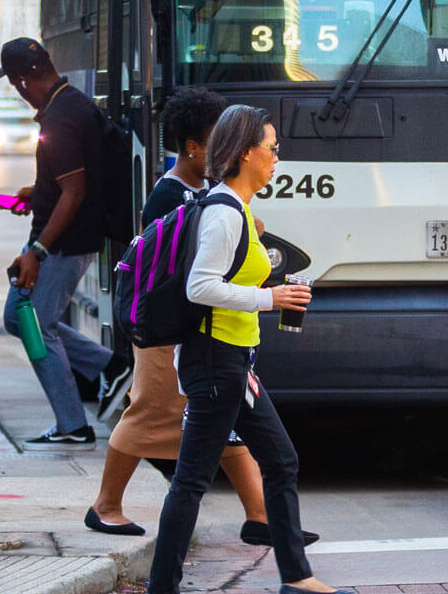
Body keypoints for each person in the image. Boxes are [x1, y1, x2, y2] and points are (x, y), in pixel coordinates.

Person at [85, 87, 318, 549]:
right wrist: (265, 293)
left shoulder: (208, 195)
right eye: (216, 141)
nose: (224, 151)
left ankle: (260, 516)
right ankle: (106, 506)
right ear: (193, 146)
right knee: (148, 414)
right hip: (172, 330)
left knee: (221, 423)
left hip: (204, 333)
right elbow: (188, 276)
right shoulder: (173, 196)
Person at [146, 105, 349, 594]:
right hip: (215, 363)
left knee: (280, 461)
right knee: (192, 479)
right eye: (273, 148)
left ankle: (296, 577)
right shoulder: (222, 214)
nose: (278, 157)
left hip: (233, 361)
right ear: (244, 153)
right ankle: (162, 587)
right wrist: (270, 298)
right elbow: (200, 287)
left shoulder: (232, 207)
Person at [0, 37, 115, 446]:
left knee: (36, 325)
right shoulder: (70, 105)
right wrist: (38, 191)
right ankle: (109, 367)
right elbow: (68, 180)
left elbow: (75, 192)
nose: (16, 91)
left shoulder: (60, 120)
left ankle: (73, 424)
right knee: (19, 317)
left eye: (13, 83)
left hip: (64, 243)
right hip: (66, 235)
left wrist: (37, 252)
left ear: (25, 81)